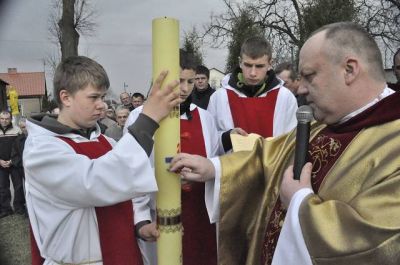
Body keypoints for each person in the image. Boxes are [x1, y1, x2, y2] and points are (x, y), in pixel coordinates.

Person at [170, 22, 400, 265]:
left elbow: (373, 242)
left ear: (350, 70)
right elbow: (269, 156)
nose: (300, 88)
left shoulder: (392, 141)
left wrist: (300, 202)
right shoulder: (320, 125)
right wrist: (214, 168)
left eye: (310, 76)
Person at [24, 55, 181, 265]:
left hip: (124, 254)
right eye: (93, 97)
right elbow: (94, 183)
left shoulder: (107, 141)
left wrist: (140, 226)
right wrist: (148, 120)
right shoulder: (42, 149)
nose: (102, 105)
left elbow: (128, 191)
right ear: (66, 97)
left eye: (103, 97)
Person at [124, 50, 221, 265]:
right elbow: (131, 175)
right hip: (160, 215)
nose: (185, 89)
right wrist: (141, 221)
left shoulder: (205, 118)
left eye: (190, 81)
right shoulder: (139, 118)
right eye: (179, 81)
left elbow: (213, 161)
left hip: (200, 216)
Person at [207, 36, 298, 152]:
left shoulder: (285, 98)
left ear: (270, 64)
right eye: (248, 65)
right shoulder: (219, 97)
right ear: (240, 62)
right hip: (232, 168)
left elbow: (293, 142)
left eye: (259, 66)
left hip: (273, 169)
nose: (253, 73)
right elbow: (208, 141)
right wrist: (227, 137)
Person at [0, 110, 25, 218]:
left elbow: (20, 148)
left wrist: (12, 160)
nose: (4, 121)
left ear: (10, 119)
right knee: (2, 187)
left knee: (18, 186)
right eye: (2, 118)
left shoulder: (17, 130)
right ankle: (6, 209)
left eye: (7, 119)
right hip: (1, 164)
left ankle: (19, 207)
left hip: (14, 163)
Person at [10, 117, 28, 215]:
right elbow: (14, 155)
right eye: (21, 127)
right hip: (22, 168)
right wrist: (21, 164)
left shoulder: (37, 138)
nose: (23, 129)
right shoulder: (18, 140)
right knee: (21, 188)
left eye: (25, 127)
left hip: (34, 169)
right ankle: (22, 207)